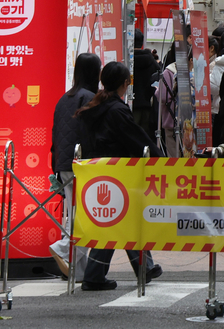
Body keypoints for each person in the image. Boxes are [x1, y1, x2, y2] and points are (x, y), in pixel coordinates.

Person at [76, 62, 159, 289]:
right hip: (119, 172)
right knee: (121, 219)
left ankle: (139, 267)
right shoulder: (117, 110)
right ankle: (136, 268)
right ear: (125, 84)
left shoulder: (93, 107)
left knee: (114, 221)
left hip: (96, 173)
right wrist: (159, 158)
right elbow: (137, 138)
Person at [49, 53, 101, 281]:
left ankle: (76, 272)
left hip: (64, 164)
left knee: (74, 215)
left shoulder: (64, 99)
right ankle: (63, 249)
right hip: (84, 164)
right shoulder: (90, 98)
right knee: (88, 216)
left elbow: (56, 134)